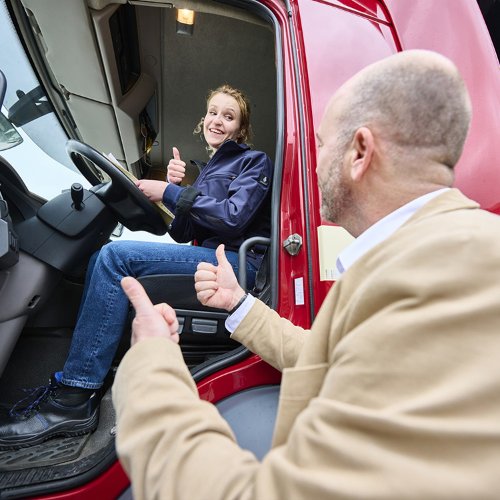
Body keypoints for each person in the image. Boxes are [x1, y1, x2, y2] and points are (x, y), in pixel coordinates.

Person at [111, 50, 500, 499]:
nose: (309, 165)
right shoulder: (424, 255)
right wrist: (240, 304)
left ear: (359, 152)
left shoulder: (445, 275)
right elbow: (328, 359)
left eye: (318, 143)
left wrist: (150, 363)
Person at [0, 84, 273, 449]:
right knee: (104, 256)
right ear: (202, 119)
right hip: (213, 258)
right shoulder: (207, 170)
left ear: (240, 129)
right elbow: (183, 233)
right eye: (212, 112)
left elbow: (233, 219)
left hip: (239, 266)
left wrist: (170, 192)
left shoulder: (253, 162)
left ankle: (73, 399)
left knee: (115, 258)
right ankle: (87, 381)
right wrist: (177, 189)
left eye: (229, 116)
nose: (217, 120)